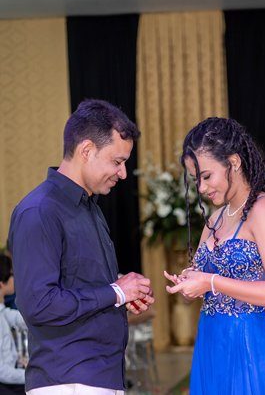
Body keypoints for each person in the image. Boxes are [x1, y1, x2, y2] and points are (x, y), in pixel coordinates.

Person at [8, 99, 155, 394]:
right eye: (117, 161)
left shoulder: (89, 208)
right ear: (86, 150)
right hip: (67, 380)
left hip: (100, 375)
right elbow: (39, 304)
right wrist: (115, 292)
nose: (123, 173)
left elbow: (80, 286)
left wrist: (122, 294)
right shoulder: (39, 211)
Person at [164, 117, 265, 394]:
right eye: (196, 179)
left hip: (250, 345)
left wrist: (210, 281)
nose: (201, 188)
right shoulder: (214, 219)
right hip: (211, 342)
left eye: (206, 176)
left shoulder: (264, 210)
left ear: (234, 162)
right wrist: (188, 284)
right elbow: (202, 286)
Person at [0, 253, 26, 395]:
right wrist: (29, 374)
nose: (15, 278)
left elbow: (18, 319)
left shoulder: (3, 313)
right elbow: (1, 371)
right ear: (1, 283)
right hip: (6, 386)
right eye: (12, 274)